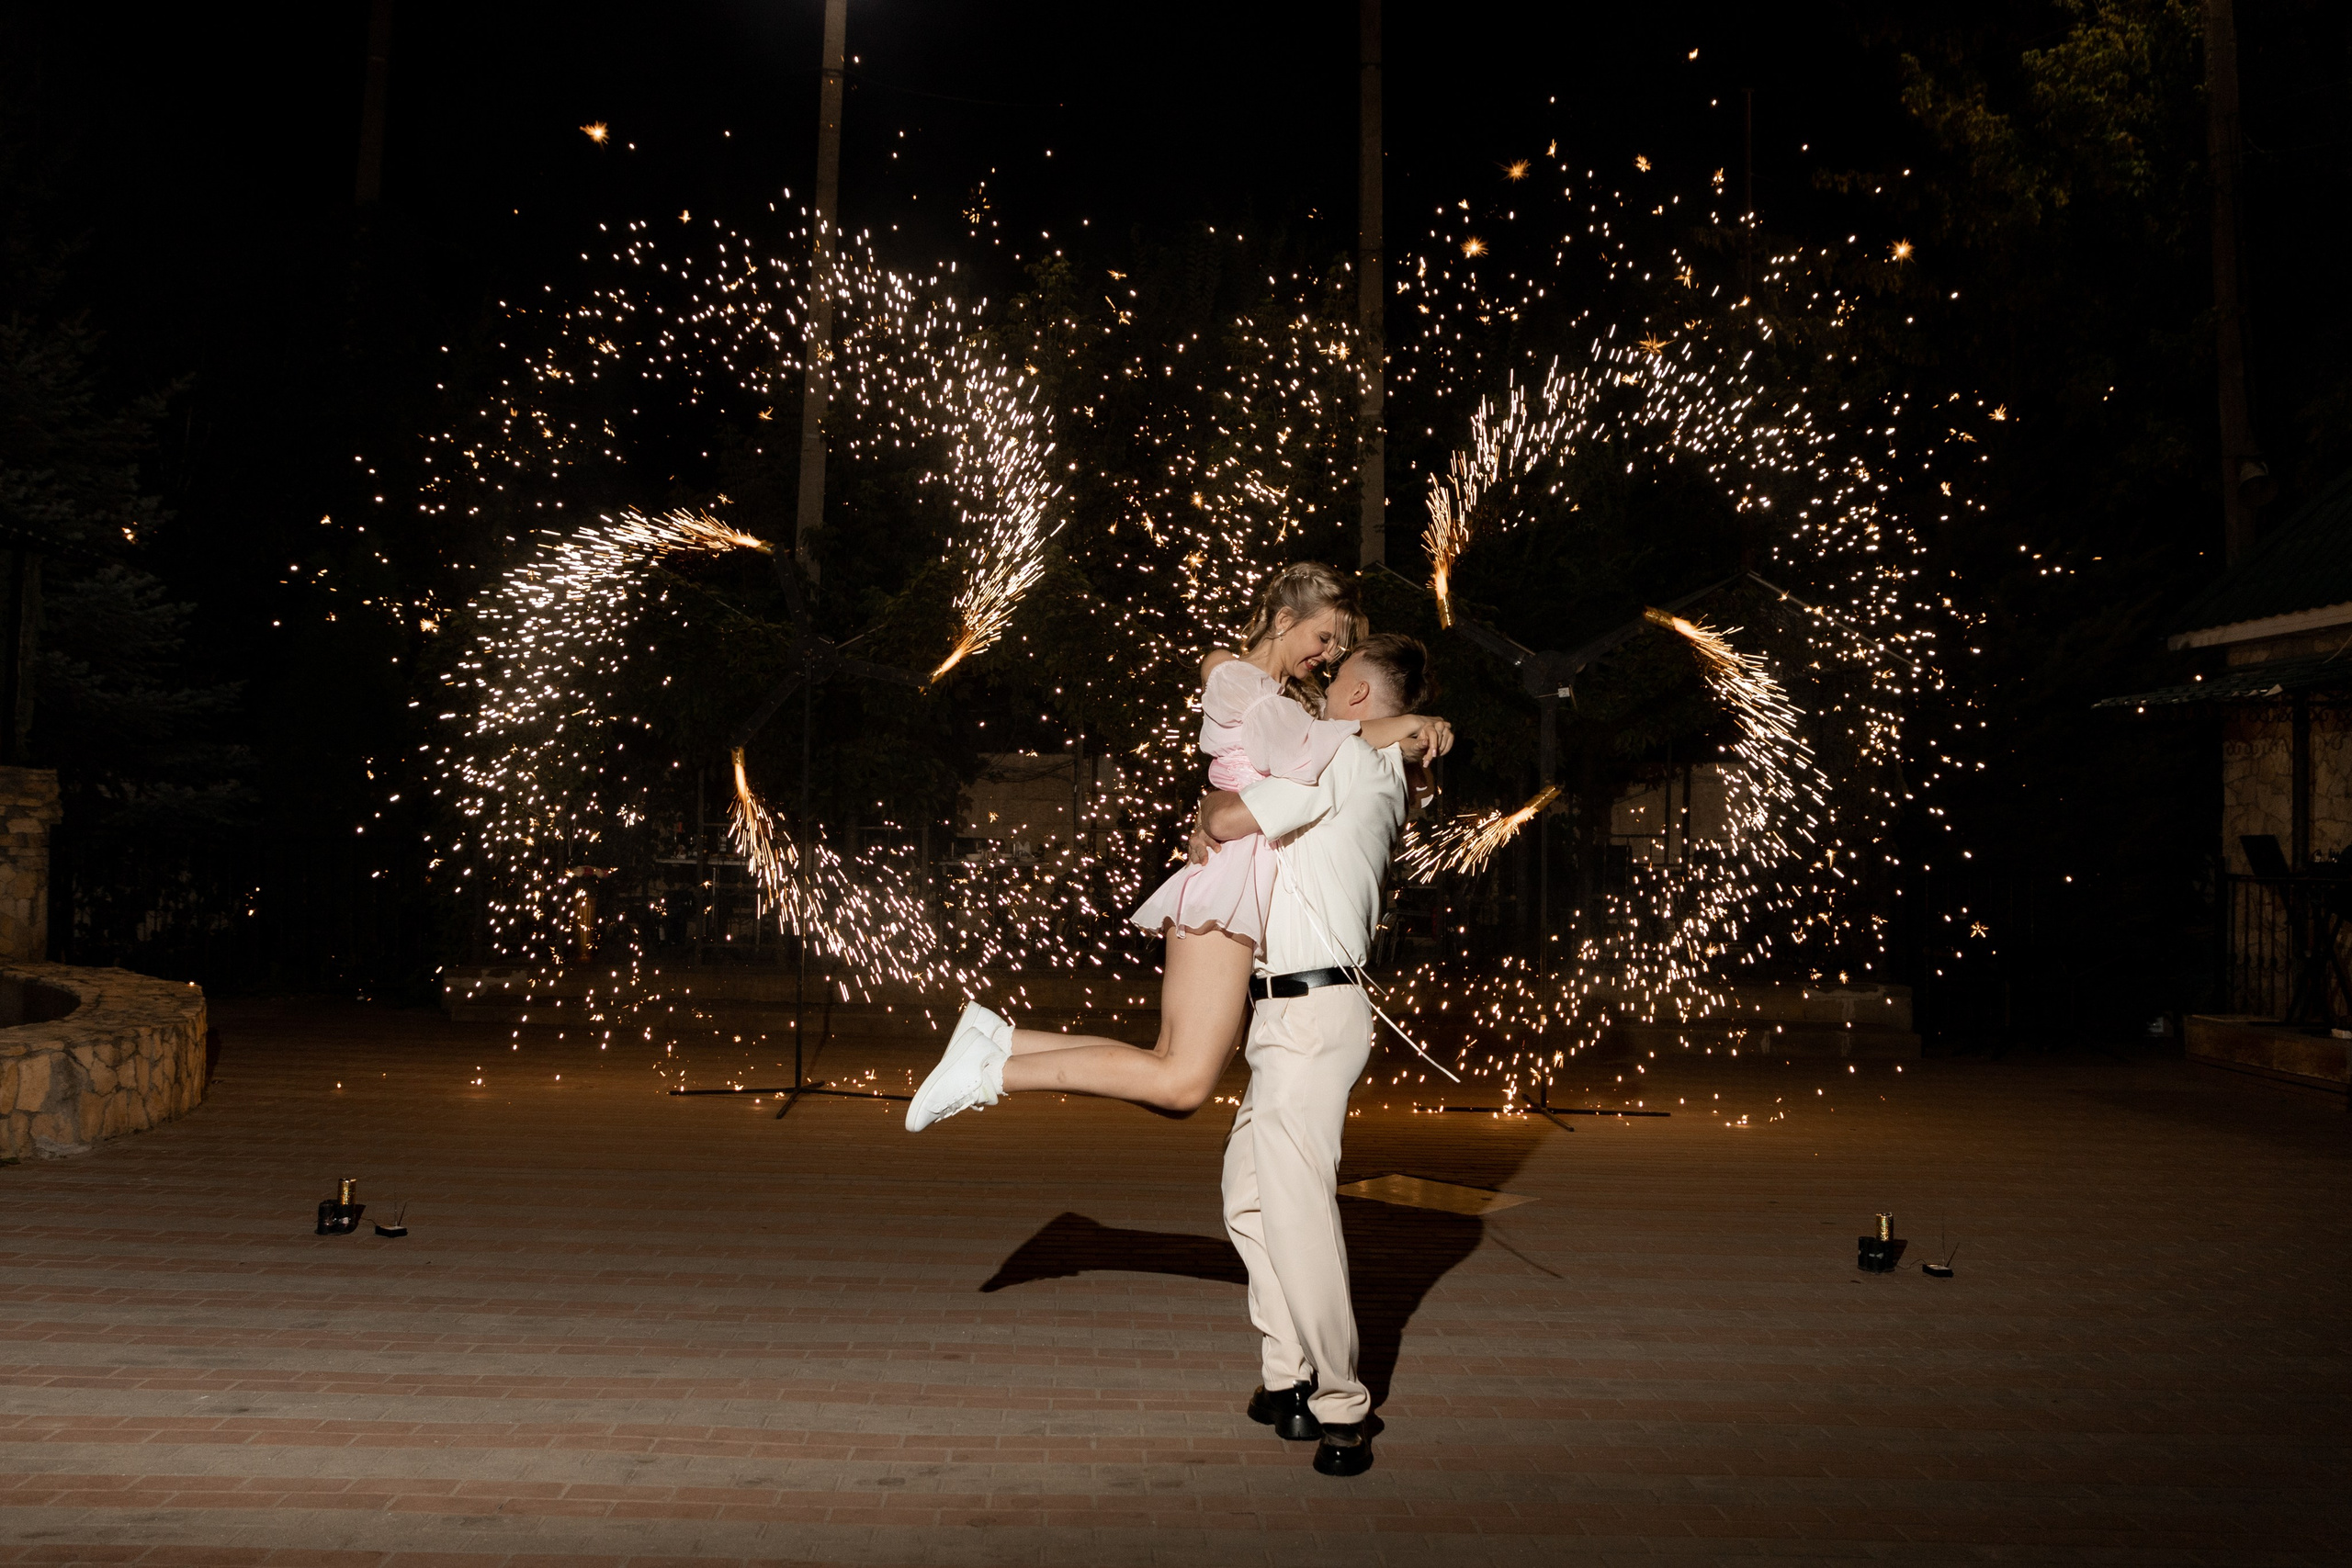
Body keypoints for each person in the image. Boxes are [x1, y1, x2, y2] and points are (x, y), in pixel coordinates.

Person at [904, 563, 1449, 1127]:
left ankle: (996, 1039)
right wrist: (1404, 723)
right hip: (1232, 878)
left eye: (1338, 646)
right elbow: (1308, 753)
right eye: (1324, 637)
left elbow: (1315, 772)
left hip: (1239, 874)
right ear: (1285, 619)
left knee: (1172, 1062)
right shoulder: (1239, 677)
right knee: (1184, 1082)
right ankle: (992, 1073)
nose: (1329, 654)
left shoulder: (1283, 697)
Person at [1193, 631, 1434, 1478]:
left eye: (1334, 682)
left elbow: (1226, 818)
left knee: (1296, 1213)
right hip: (1289, 1016)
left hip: (1311, 1011)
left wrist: (1203, 811)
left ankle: (1340, 1406)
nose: (1319, 694)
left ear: (1360, 700)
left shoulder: (1343, 765)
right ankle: (1287, 1374)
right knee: (1247, 1199)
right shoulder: (1360, 756)